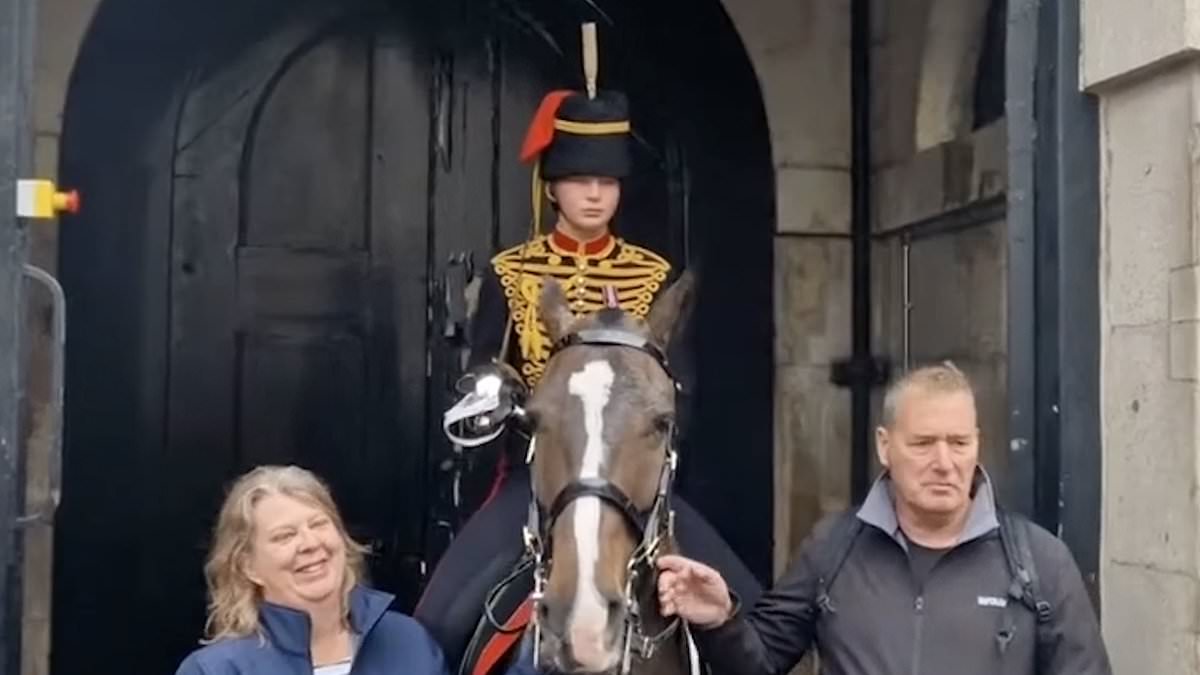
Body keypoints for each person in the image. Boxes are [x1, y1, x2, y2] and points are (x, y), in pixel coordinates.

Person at [415, 41, 762, 671]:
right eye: (580, 181)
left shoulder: (652, 275)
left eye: (606, 182)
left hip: (635, 478)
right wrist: (494, 392)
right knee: (434, 624)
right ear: (554, 186)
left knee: (756, 613)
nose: (595, 196)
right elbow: (486, 368)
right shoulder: (512, 273)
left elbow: (680, 383)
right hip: (540, 475)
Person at [656, 362, 1114, 675]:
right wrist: (723, 619)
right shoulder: (834, 548)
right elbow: (760, 663)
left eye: (958, 443)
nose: (944, 462)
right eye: (922, 443)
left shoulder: (1039, 563)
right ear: (884, 446)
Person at [174, 465, 448, 675]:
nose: (310, 543)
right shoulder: (217, 670)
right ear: (249, 567)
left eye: (318, 524)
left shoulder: (408, 640)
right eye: (285, 536)